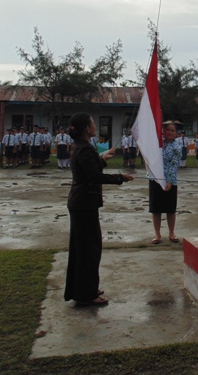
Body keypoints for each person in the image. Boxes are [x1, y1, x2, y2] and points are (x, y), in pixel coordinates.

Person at [64, 112, 133, 307]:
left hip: (82, 204)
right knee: (89, 250)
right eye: (93, 123)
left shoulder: (82, 147)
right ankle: (87, 293)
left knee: (84, 249)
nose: (95, 126)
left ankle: (86, 288)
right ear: (87, 128)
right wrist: (120, 177)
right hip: (83, 204)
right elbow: (93, 177)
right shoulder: (84, 149)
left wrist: (103, 159)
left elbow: (90, 170)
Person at [149, 121, 182, 244]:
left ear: (176, 134)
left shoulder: (177, 147)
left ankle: (171, 233)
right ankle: (157, 234)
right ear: (163, 131)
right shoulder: (157, 143)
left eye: (172, 130)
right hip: (155, 179)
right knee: (156, 209)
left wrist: (169, 181)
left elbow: (174, 165)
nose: (170, 132)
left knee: (170, 209)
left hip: (170, 181)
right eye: (167, 129)